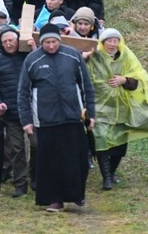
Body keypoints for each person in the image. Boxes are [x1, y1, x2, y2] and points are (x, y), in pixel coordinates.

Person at [17, 24, 96, 212]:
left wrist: (91, 114)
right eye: (47, 43)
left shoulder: (73, 56)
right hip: (46, 119)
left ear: (59, 40)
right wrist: (26, 120)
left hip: (72, 117)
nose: (51, 46)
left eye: (54, 42)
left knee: (76, 159)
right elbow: (23, 93)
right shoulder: (32, 60)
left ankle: (77, 195)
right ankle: (54, 199)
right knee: (50, 161)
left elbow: (87, 87)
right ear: (41, 42)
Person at [86, 28, 148, 190]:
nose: (112, 44)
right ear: (102, 42)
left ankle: (112, 173)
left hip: (122, 108)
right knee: (102, 140)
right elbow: (84, 77)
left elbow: (139, 78)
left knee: (120, 145)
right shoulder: (95, 56)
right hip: (100, 108)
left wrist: (124, 80)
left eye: (115, 41)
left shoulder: (126, 56)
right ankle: (106, 178)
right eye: (109, 41)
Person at [0, 25, 35, 198]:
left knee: (37, 145)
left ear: (17, 40)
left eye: (11, 40)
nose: (8, 44)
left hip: (33, 112)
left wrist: (34, 49)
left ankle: (36, 177)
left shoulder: (29, 56)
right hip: (12, 114)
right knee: (17, 149)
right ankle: (20, 183)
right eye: (4, 41)